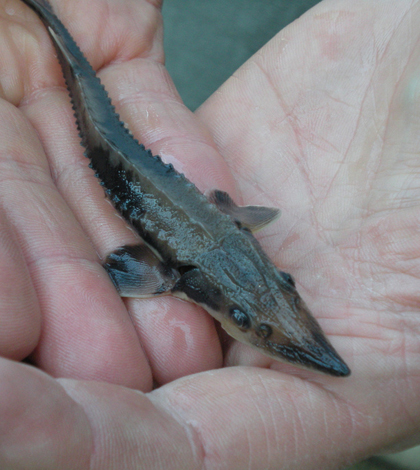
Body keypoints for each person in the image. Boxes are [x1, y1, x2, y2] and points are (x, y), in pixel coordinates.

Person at [1, 0, 419, 468]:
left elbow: (214, 221)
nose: (272, 323)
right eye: (249, 323)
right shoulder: (176, 275)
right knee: (90, 106)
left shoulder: (214, 251)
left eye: (285, 287)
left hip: (184, 205)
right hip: (119, 166)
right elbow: (145, 261)